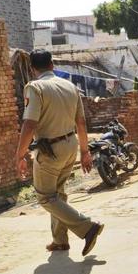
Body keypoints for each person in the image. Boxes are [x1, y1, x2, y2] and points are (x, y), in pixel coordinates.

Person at [15, 49, 104, 256]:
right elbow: (81, 122)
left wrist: (19, 155)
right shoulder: (70, 86)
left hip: (50, 149)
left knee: (45, 197)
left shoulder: (35, 87)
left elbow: (29, 124)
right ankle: (60, 240)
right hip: (70, 144)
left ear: (32, 69)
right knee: (58, 194)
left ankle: (87, 227)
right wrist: (85, 151)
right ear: (52, 65)